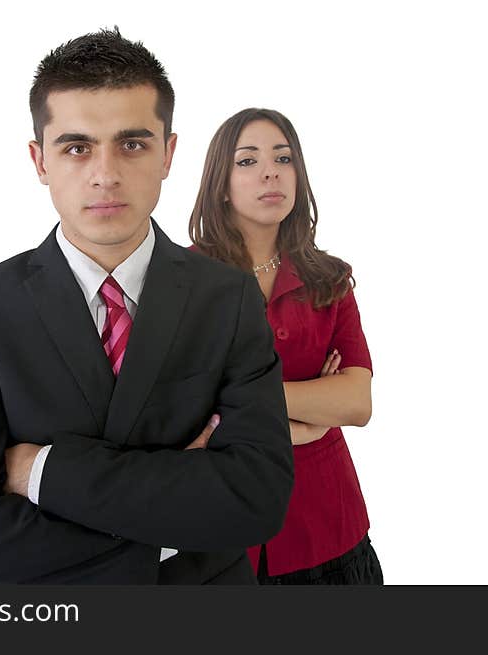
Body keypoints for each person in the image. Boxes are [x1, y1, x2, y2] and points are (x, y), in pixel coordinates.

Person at [0, 30, 293, 585]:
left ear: (168, 154)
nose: (105, 174)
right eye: (76, 147)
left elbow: (256, 501)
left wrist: (41, 470)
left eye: (133, 144)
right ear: (39, 160)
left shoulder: (228, 297)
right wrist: (171, 529)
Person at [189, 108, 382, 584]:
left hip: (331, 528)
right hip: (225, 532)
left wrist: (243, 406)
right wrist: (312, 410)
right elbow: (183, 415)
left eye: (284, 157)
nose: (271, 171)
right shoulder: (182, 283)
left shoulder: (329, 278)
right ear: (221, 181)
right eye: (247, 160)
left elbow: (357, 403)